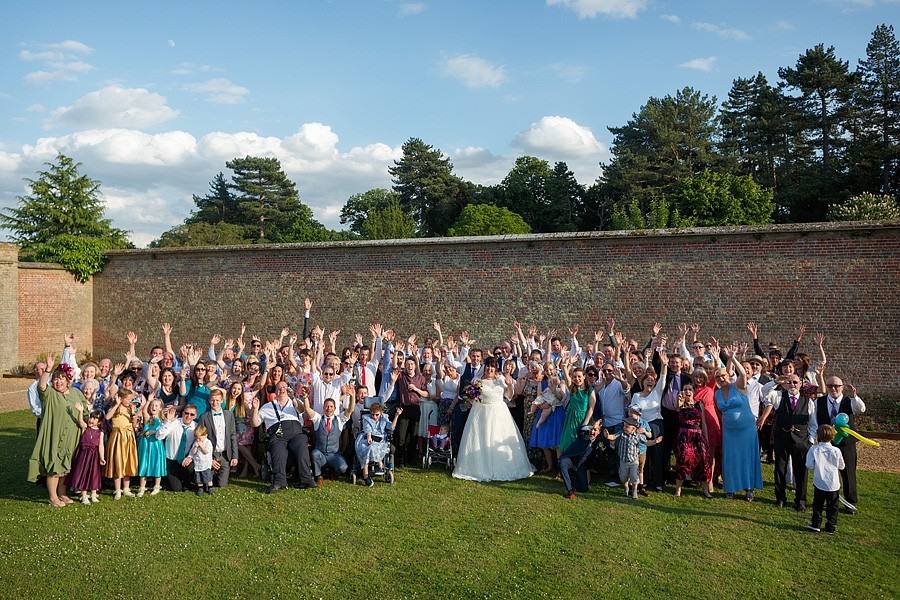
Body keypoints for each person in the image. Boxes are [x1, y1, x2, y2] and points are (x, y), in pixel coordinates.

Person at [453, 357, 535, 482]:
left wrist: (508, 385)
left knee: (497, 437)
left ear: (496, 368)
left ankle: (502, 467)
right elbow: (472, 397)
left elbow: (509, 395)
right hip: (481, 412)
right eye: (487, 366)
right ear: (484, 367)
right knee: (480, 439)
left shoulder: (501, 379)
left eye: (492, 367)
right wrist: (472, 397)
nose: (489, 369)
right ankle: (478, 466)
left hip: (499, 412)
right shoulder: (478, 380)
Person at [27, 353, 86, 507]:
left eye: (61, 379)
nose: (58, 381)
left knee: (66, 466)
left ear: (68, 381)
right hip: (54, 434)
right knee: (54, 465)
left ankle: (62, 494)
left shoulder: (76, 393)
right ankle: (53, 497)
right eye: (55, 379)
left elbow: (85, 412)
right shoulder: (50, 394)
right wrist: (48, 370)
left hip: (72, 436)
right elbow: (41, 386)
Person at [759, 374, 816, 510]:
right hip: (782, 439)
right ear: (785, 384)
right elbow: (764, 392)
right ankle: (780, 498)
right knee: (780, 469)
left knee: (801, 472)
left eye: (795, 382)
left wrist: (810, 440)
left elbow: (813, 423)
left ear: (800, 383)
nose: (792, 385)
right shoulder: (779, 396)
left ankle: (800, 501)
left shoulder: (808, 402)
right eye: (789, 382)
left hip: (801, 442)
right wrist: (775, 381)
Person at [812, 376, 866, 514]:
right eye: (830, 386)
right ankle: (826, 500)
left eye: (836, 386)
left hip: (846, 443)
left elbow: (861, 409)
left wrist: (855, 396)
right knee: (825, 473)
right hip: (826, 443)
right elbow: (814, 420)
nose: (833, 389)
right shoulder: (820, 401)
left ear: (842, 387)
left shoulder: (850, 401)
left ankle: (850, 503)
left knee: (848, 473)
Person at [250, 380, 316, 493]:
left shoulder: (294, 403)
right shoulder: (267, 407)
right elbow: (255, 423)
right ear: (275, 391)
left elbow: (301, 409)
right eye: (279, 388)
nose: (282, 390)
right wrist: (255, 410)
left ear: (288, 389)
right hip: (278, 434)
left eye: (284, 387)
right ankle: (279, 482)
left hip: (296, 433)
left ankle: (306, 479)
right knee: (278, 451)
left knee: (302, 447)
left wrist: (293, 397)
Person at [715, 349, 763, 501]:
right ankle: (730, 488)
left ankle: (749, 489)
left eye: (723, 375)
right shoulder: (717, 394)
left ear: (728, 376)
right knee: (731, 458)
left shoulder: (738, 386)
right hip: (730, 431)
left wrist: (732, 358)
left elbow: (743, 373)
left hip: (747, 430)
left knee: (747, 458)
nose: (721, 378)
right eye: (718, 377)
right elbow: (720, 411)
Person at [304, 386, 356, 485]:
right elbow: (307, 409)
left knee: (343, 467)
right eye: (327, 406)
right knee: (314, 454)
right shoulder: (318, 419)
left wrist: (352, 397)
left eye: (331, 406)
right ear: (323, 408)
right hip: (321, 453)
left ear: (335, 408)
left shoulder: (340, 420)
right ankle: (318, 476)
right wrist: (305, 396)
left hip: (334, 455)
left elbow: (350, 410)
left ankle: (334, 473)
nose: (329, 409)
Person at [606, 417, 662, 499]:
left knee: (634, 477)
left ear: (633, 429)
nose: (624, 428)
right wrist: (607, 436)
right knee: (623, 477)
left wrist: (654, 441)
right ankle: (626, 487)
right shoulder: (621, 433)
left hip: (634, 461)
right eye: (624, 426)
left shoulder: (638, 436)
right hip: (623, 460)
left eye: (627, 427)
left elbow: (646, 442)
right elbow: (613, 437)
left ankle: (634, 491)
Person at [673, 385, 712, 498]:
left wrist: (706, 438)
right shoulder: (681, 404)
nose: (687, 391)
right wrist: (679, 401)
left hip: (698, 435)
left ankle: (705, 490)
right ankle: (678, 489)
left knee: (704, 460)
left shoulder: (699, 404)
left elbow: (703, 422)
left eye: (690, 389)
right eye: (685, 389)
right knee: (682, 460)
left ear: (694, 392)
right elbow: (677, 407)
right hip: (684, 435)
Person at [806, 425, 845, 534]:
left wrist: (817, 466)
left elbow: (809, 464)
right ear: (833, 437)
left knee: (818, 505)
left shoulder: (814, 449)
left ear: (818, 436)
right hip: (833, 484)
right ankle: (831, 526)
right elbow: (842, 466)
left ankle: (816, 524)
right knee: (833, 506)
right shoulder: (836, 451)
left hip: (819, 482)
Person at [197, 388, 238, 488]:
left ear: (222, 401)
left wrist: (235, 456)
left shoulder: (229, 415)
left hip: (225, 454)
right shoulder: (204, 417)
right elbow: (200, 439)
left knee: (222, 485)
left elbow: (233, 435)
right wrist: (209, 459)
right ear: (209, 401)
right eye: (212, 400)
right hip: (211, 454)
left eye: (217, 400)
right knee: (207, 484)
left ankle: (219, 474)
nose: (215, 403)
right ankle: (210, 474)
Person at [355, 402, 402, 487]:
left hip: (380, 438)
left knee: (374, 447)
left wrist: (396, 416)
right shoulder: (366, 418)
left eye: (377, 415)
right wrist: (369, 436)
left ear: (381, 413)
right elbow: (367, 428)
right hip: (367, 436)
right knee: (367, 448)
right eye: (373, 414)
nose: (374, 417)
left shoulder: (384, 418)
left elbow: (391, 427)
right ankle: (365, 475)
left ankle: (380, 465)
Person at [105, 388, 139, 500]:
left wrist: (134, 420)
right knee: (118, 460)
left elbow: (134, 425)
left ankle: (126, 488)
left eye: (130, 399)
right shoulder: (116, 408)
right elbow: (107, 417)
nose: (129, 401)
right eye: (127, 399)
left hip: (128, 436)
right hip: (118, 436)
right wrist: (117, 404)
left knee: (127, 461)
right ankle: (117, 489)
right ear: (121, 398)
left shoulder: (131, 408)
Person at [66, 409, 106, 504]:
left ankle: (93, 494)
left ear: (99, 421)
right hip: (84, 456)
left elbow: (101, 446)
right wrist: (80, 411)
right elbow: (80, 421)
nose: (91, 420)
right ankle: (84, 496)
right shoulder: (85, 428)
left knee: (94, 474)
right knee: (83, 473)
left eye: (95, 419)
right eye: (91, 417)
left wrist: (102, 457)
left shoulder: (100, 433)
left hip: (94, 456)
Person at [156, 404, 197, 491]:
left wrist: (190, 457)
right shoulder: (173, 422)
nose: (188, 416)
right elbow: (159, 436)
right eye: (186, 413)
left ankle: (187, 483)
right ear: (182, 413)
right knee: (176, 489)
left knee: (190, 467)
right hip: (172, 460)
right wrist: (168, 422)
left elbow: (196, 443)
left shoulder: (196, 427)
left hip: (185, 459)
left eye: (192, 414)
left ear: (195, 416)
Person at [560, 420, 603, 499]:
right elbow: (578, 429)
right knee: (562, 463)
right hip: (570, 459)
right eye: (591, 429)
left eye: (595, 430)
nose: (592, 431)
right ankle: (570, 491)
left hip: (581, 465)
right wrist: (589, 427)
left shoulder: (598, 442)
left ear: (599, 432)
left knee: (584, 489)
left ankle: (570, 478)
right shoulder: (584, 435)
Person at [136, 397, 167, 497]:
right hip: (145, 444)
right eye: (152, 405)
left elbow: (164, 432)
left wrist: (154, 432)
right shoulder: (147, 417)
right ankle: (142, 488)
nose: (153, 407)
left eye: (156, 406)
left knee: (156, 463)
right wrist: (148, 400)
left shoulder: (163, 420)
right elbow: (144, 410)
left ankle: (157, 486)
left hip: (156, 445)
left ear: (160, 408)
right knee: (143, 463)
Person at [191, 425, 214, 496]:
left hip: (206, 463)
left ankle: (210, 487)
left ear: (205, 435)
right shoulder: (196, 442)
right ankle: (200, 487)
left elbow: (206, 452)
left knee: (207, 476)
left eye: (200, 438)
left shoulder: (208, 442)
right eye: (196, 438)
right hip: (198, 464)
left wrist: (201, 446)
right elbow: (193, 452)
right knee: (198, 478)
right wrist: (195, 447)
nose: (198, 440)